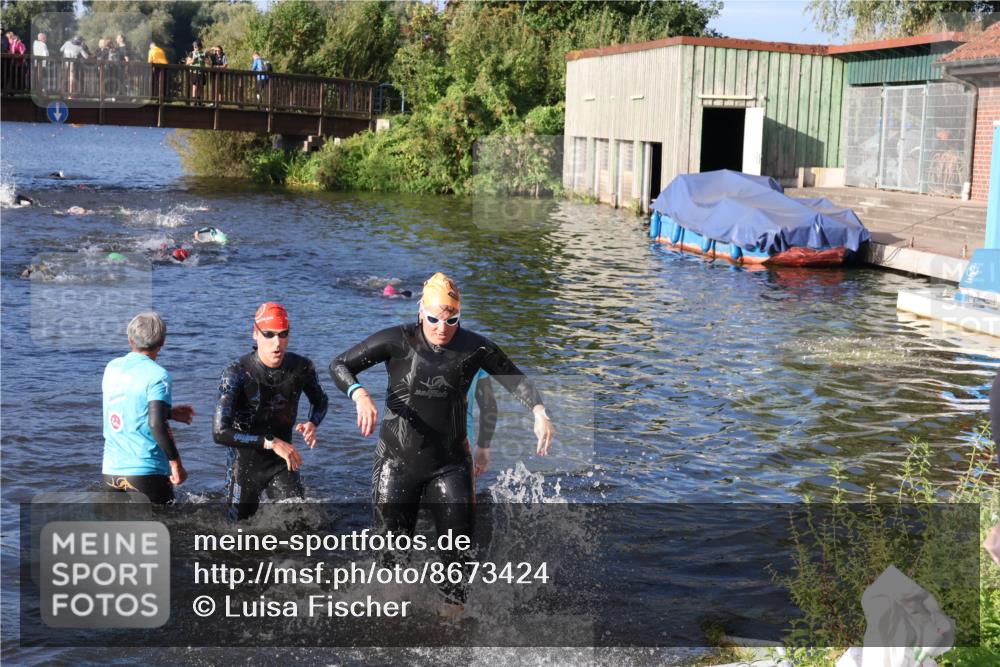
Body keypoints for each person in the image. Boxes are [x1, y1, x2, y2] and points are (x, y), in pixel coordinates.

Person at [329, 272, 554, 611]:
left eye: (451, 320)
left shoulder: (474, 347)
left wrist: (539, 411)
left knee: (458, 557)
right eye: (433, 318)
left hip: (450, 465)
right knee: (391, 562)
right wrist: (358, 393)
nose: (441, 327)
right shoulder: (398, 340)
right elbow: (340, 364)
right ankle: (392, 627)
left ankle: (453, 626)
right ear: (421, 312)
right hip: (396, 462)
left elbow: (515, 379)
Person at [213, 302, 329, 521]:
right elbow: (220, 432)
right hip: (244, 466)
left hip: (282, 463)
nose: (277, 343)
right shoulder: (237, 372)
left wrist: (313, 422)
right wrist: (272, 442)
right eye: (269, 334)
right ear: (255, 334)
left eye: (283, 334)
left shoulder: (301, 367)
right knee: (236, 534)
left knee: (300, 526)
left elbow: (320, 400)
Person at [102, 312, 194, 504]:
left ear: (129, 339)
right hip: (146, 472)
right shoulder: (158, 376)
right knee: (166, 531)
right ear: (162, 343)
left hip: (111, 471)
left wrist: (168, 412)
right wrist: (176, 465)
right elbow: (156, 424)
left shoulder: (112, 367)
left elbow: (126, 404)